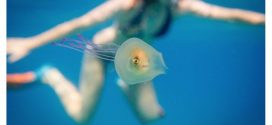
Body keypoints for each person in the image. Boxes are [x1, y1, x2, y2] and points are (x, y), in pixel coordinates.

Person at [7, 0, 265, 124]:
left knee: (150, 119)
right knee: (81, 118)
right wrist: (30, 43)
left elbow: (229, 15)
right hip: (102, 52)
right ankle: (48, 74)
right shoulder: (125, 5)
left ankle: (127, 86)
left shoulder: (179, 6)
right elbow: (77, 24)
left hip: (134, 60)